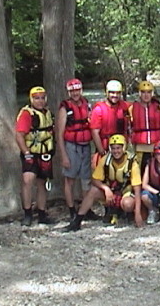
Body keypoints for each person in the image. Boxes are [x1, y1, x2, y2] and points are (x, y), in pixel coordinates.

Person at [64, 134, 141, 231]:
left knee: (128, 204)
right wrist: (106, 188)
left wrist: (138, 213)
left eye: (118, 148)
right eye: (113, 148)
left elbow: (137, 189)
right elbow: (95, 179)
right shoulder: (105, 160)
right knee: (93, 191)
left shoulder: (132, 163)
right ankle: (77, 220)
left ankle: (125, 214)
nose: (116, 151)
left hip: (126, 192)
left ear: (124, 147)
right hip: (111, 192)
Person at [16, 86, 55, 226]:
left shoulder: (48, 113)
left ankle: (42, 213)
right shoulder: (27, 114)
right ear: (31, 99)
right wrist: (26, 152)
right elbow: (20, 135)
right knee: (28, 180)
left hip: (45, 154)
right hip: (30, 153)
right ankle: (27, 213)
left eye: (42, 98)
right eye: (37, 98)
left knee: (42, 183)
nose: (40, 101)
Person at [56, 78, 93, 221]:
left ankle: (86, 209)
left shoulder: (86, 104)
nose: (75, 93)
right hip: (71, 146)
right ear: (69, 92)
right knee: (70, 180)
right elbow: (59, 134)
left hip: (85, 145)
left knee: (86, 179)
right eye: (72, 91)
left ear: (81, 90)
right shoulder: (65, 107)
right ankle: (71, 210)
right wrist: (64, 155)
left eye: (77, 90)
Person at [90, 79, 130, 165]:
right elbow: (94, 132)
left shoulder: (125, 107)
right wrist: (101, 151)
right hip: (105, 148)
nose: (115, 95)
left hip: (121, 149)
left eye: (118, 93)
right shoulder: (98, 110)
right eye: (112, 93)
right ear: (107, 93)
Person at [129, 80, 160, 173]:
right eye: (143, 92)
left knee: (155, 170)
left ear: (152, 93)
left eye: (148, 92)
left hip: (156, 144)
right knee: (140, 170)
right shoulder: (132, 108)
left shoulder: (159, 107)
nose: (146, 95)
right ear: (139, 93)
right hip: (140, 146)